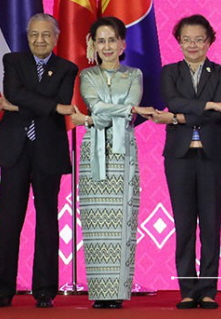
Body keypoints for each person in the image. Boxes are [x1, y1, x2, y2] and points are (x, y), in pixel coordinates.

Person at [70, 16, 155, 308]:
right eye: (101, 40)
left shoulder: (135, 74)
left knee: (122, 224)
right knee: (95, 224)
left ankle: (118, 292)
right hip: (91, 153)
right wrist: (122, 109)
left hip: (123, 154)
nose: (107, 46)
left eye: (112, 40)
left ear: (122, 44)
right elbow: (98, 105)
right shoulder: (86, 76)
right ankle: (99, 292)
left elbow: (123, 111)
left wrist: (94, 118)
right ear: (93, 45)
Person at [151, 15, 221, 309]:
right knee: (184, 223)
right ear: (179, 42)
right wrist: (207, 105)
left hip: (213, 155)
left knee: (211, 223)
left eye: (199, 39)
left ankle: (209, 288)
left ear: (209, 41)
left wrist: (176, 118)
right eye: (187, 39)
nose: (193, 45)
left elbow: (217, 112)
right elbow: (174, 101)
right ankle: (187, 288)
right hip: (179, 157)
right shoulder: (169, 72)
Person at [0, 14, 78, 308]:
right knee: (8, 222)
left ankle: (44, 290)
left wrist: (19, 105)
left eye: (46, 35)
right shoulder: (13, 61)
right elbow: (14, 92)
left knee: (47, 221)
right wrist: (51, 106)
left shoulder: (67, 67)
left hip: (47, 150)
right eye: (34, 35)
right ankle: (3, 287)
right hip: (14, 151)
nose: (39, 40)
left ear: (56, 38)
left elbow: (55, 99)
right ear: (27, 36)